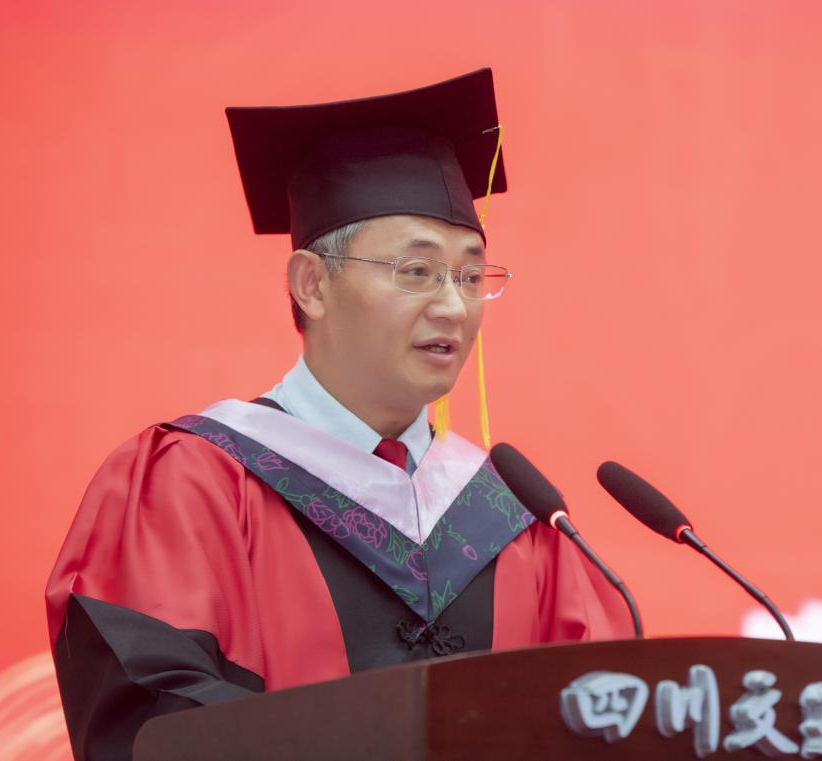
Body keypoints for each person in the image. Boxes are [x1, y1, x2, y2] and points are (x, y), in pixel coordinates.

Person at [45, 69, 634, 760]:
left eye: (472, 276)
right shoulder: (192, 484)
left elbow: (608, 716)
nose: (453, 306)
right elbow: (154, 722)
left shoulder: (517, 520)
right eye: (417, 271)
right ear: (313, 284)